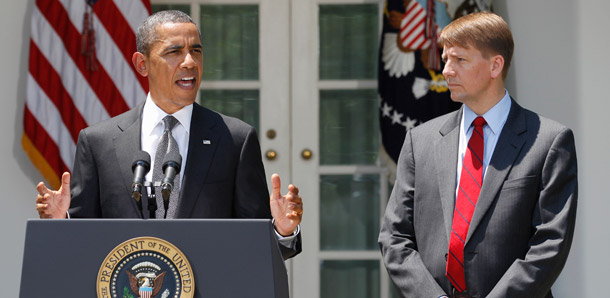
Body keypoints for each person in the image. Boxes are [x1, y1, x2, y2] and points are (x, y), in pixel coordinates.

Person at [35, 10, 302, 259]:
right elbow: (82, 241)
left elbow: (256, 249)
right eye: (174, 52)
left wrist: (282, 231)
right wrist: (61, 222)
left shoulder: (235, 139)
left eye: (196, 51)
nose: (189, 62)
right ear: (142, 64)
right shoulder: (98, 142)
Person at [378, 12, 577, 298]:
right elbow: (394, 238)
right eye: (445, 59)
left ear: (496, 65)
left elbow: (550, 245)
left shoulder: (549, 141)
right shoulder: (418, 142)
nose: (446, 70)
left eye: (459, 60)